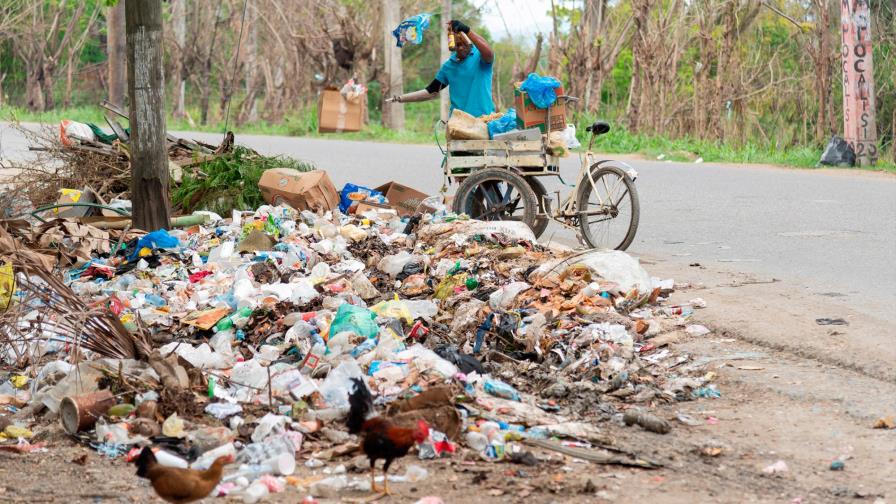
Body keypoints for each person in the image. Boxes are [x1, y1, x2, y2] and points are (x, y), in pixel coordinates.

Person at [385, 20, 494, 117]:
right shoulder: (449, 66)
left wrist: (467, 30)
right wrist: (400, 98)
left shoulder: (480, 57)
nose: (460, 48)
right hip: (459, 123)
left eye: (464, 44)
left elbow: (489, 53)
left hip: (483, 119)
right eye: (457, 45)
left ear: (469, 41)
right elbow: (430, 91)